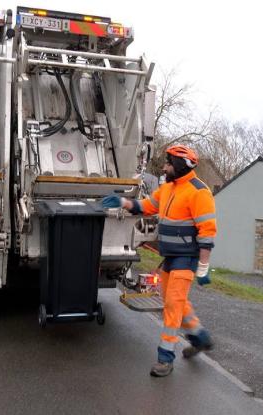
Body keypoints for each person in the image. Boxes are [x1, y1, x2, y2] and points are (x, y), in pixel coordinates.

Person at [102, 144, 217, 377]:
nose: (164, 167)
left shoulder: (199, 192)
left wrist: (203, 269)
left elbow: (207, 234)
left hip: (187, 258)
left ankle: (165, 358)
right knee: (174, 299)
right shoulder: (168, 189)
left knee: (173, 305)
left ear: (180, 165)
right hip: (171, 257)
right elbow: (146, 206)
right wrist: (123, 203)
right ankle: (201, 338)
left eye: (168, 163)